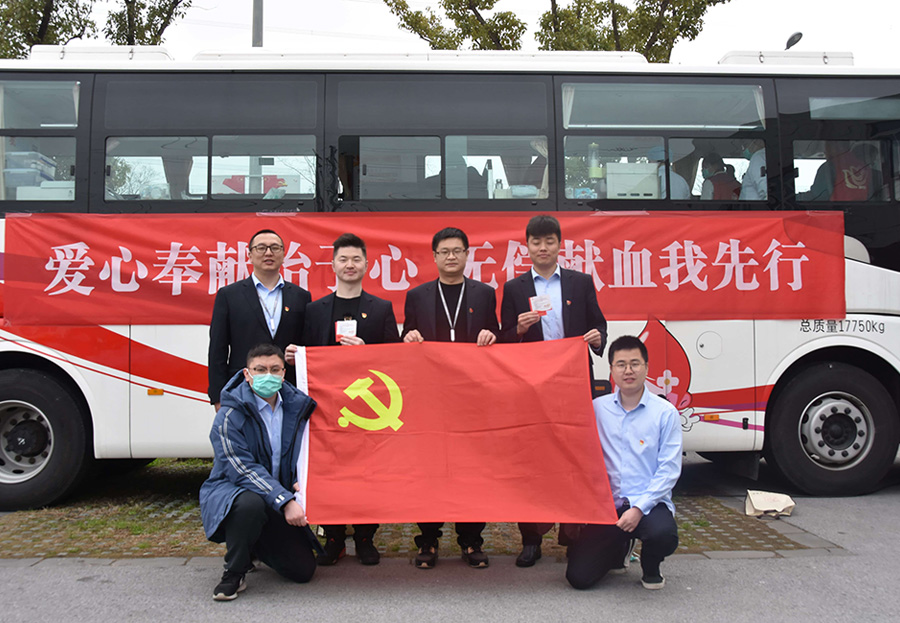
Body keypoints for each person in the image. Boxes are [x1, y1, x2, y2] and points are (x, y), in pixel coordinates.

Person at [499, 214, 608, 567]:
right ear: (527, 246)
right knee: (531, 460)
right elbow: (503, 339)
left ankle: (572, 535)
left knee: (574, 458)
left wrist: (597, 339)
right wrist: (518, 328)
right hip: (532, 386)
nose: (543, 248)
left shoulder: (580, 282)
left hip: (573, 382)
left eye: (549, 241)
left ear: (560, 245)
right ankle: (531, 539)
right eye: (536, 242)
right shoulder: (515, 288)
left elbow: (599, 324)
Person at [291, 232, 400, 567]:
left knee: (368, 472)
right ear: (333, 264)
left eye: (356, 259)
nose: (349, 265)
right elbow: (307, 358)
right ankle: (334, 537)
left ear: (367, 265)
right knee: (331, 471)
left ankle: (366, 537)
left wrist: (368, 352)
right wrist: (297, 356)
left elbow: (396, 359)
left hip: (368, 409)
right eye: (343, 259)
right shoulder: (315, 309)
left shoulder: (381, 308)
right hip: (327, 410)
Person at [402, 226, 500, 569]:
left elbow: (497, 335)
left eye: (457, 251)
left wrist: (491, 335)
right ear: (434, 257)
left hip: (472, 397)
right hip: (431, 399)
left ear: (467, 255)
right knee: (430, 469)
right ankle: (428, 539)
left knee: (472, 469)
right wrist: (408, 337)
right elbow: (406, 336)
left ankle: (471, 540)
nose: (451, 257)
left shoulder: (485, 294)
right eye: (444, 251)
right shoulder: (417, 296)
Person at [199, 343, 318, 601]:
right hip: (236, 492)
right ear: (247, 374)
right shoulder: (228, 415)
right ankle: (234, 571)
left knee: (302, 570)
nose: (268, 375)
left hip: (275, 497)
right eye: (260, 369)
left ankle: (253, 543)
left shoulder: (298, 407)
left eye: (275, 369)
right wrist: (284, 501)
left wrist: (298, 481)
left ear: (284, 373)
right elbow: (241, 468)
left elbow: (305, 452)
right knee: (249, 504)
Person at [566, 335, 682, 591]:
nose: (628, 370)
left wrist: (638, 509)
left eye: (634, 363)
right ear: (611, 370)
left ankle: (651, 566)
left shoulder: (665, 413)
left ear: (646, 367)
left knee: (663, 535)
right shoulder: (597, 409)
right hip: (608, 507)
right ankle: (620, 549)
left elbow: (669, 470)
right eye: (621, 364)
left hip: (649, 505)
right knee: (579, 578)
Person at [208, 229, 311, 409]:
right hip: (242, 389)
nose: (268, 253)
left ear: (283, 254)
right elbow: (218, 349)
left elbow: (308, 345)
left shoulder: (301, 296)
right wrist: (218, 397)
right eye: (261, 248)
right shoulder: (229, 295)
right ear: (249, 255)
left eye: (275, 248)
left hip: (289, 389)